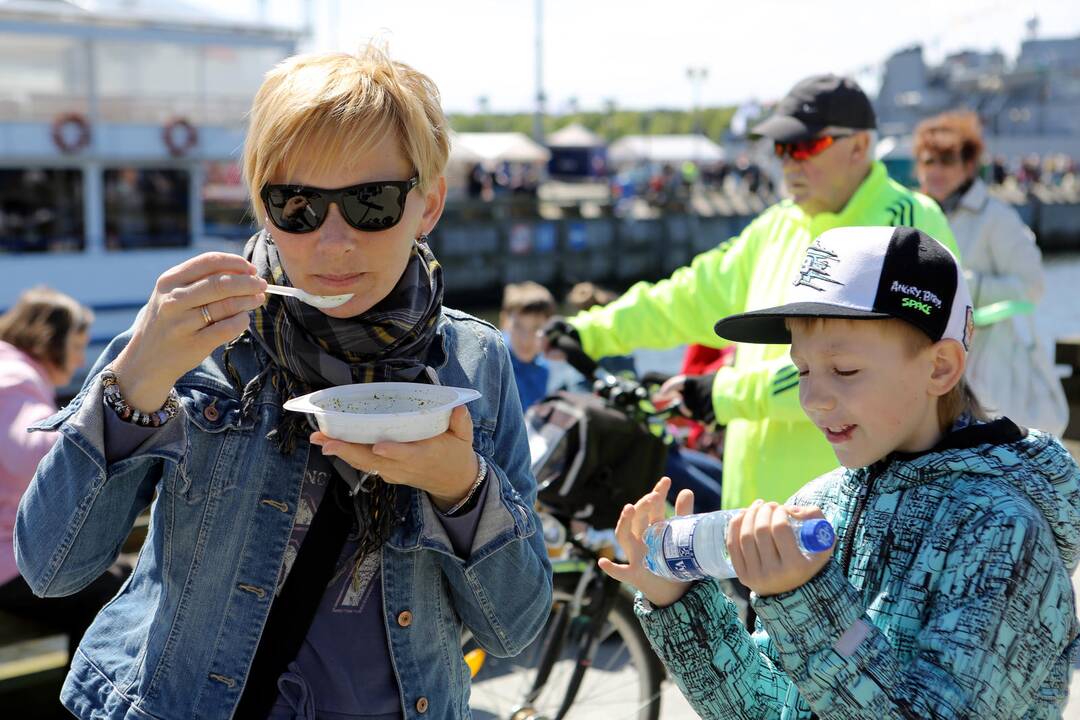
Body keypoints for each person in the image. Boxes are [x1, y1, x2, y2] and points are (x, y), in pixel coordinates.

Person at [15, 46, 551, 720]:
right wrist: (135, 382)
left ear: (429, 204)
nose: (332, 242)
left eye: (371, 202)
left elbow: (516, 627)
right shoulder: (190, 343)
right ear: (262, 206)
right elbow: (51, 567)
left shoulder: (473, 361)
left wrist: (460, 487)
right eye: (297, 204)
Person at [602, 226, 1080, 718]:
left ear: (940, 367)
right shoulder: (826, 499)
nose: (812, 399)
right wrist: (679, 604)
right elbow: (772, 710)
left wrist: (803, 597)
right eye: (802, 370)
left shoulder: (1004, 533)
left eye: (844, 371)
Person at [545, 74, 959, 512]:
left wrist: (721, 395)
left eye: (803, 147)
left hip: (850, 525)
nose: (788, 162)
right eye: (781, 149)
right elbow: (688, 297)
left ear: (859, 146)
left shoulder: (905, 226)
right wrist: (588, 332)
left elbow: (875, 374)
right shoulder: (775, 226)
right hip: (751, 522)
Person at [914, 110, 1067, 436]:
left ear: (968, 165)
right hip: (930, 364)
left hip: (990, 363)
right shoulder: (916, 215)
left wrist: (963, 287)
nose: (936, 171)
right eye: (929, 162)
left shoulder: (996, 217)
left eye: (947, 161)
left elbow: (1032, 285)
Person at [0, 288, 122, 667]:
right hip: (7, 561)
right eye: (78, 343)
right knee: (113, 594)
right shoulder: (15, 380)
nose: (81, 357)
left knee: (109, 579)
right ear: (53, 339)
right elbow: (31, 451)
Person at [500, 281, 557, 410]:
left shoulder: (546, 368)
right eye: (518, 326)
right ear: (504, 321)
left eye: (536, 328)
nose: (525, 340)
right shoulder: (492, 364)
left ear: (549, 327)